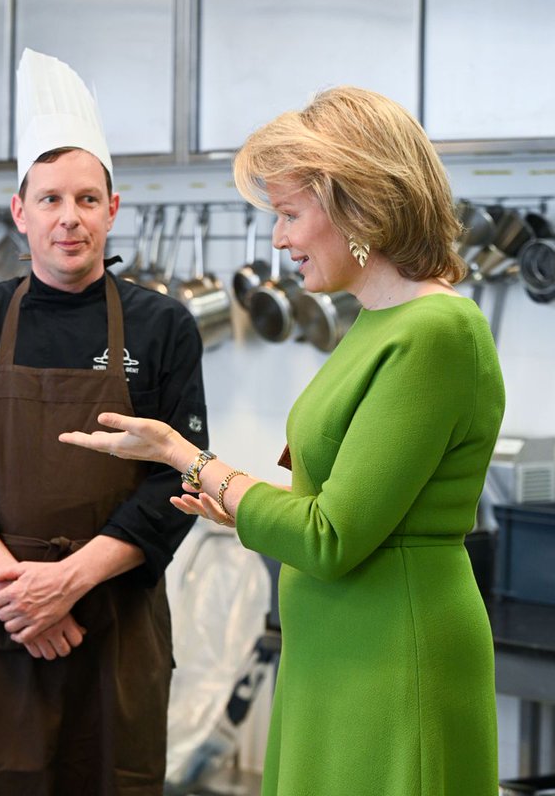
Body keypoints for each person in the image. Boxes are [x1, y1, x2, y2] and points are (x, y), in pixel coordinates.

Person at [61, 86, 506, 796]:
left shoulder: (437, 334)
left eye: (291, 214)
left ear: (361, 206)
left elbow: (330, 535)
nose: (279, 239)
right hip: (337, 647)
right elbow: (329, 500)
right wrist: (242, 503)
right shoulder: (375, 322)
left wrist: (187, 457)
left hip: (394, 652)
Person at [0, 49, 208, 795]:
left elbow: (177, 478)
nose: (68, 219)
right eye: (49, 199)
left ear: (113, 209)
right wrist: (26, 595)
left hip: (112, 623)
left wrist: (70, 583)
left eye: (85, 199)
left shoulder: (164, 325)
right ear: (20, 213)